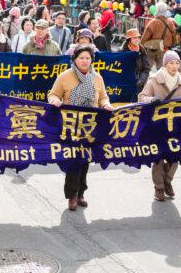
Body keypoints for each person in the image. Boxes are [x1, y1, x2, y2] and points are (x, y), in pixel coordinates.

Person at [48, 45, 113, 211]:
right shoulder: (65, 77)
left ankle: (81, 192)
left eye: (88, 58)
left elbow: (103, 98)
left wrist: (106, 105)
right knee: (73, 161)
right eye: (81, 58)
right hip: (70, 125)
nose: (85, 61)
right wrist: (55, 101)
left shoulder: (97, 78)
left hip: (89, 127)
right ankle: (72, 195)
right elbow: (53, 94)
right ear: (75, 60)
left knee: (85, 161)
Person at [138, 50, 181, 201]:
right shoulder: (154, 80)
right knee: (159, 157)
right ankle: (159, 188)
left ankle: (168, 180)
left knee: (176, 155)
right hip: (158, 124)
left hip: (176, 125)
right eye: (171, 63)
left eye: (177, 63)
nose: (174, 66)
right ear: (165, 64)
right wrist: (151, 100)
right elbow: (142, 97)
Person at [141, 2, 177, 70]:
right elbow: (174, 35)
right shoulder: (169, 22)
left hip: (152, 47)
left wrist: (141, 46)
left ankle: (144, 80)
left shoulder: (153, 22)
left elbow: (145, 36)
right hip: (164, 48)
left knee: (147, 68)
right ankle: (161, 80)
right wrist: (172, 44)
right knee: (162, 70)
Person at [120, 28, 150, 93]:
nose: (137, 40)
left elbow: (146, 68)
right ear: (129, 40)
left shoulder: (142, 51)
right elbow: (124, 69)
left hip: (140, 82)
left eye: (138, 37)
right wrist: (136, 80)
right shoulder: (122, 52)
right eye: (134, 38)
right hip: (126, 82)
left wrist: (141, 80)